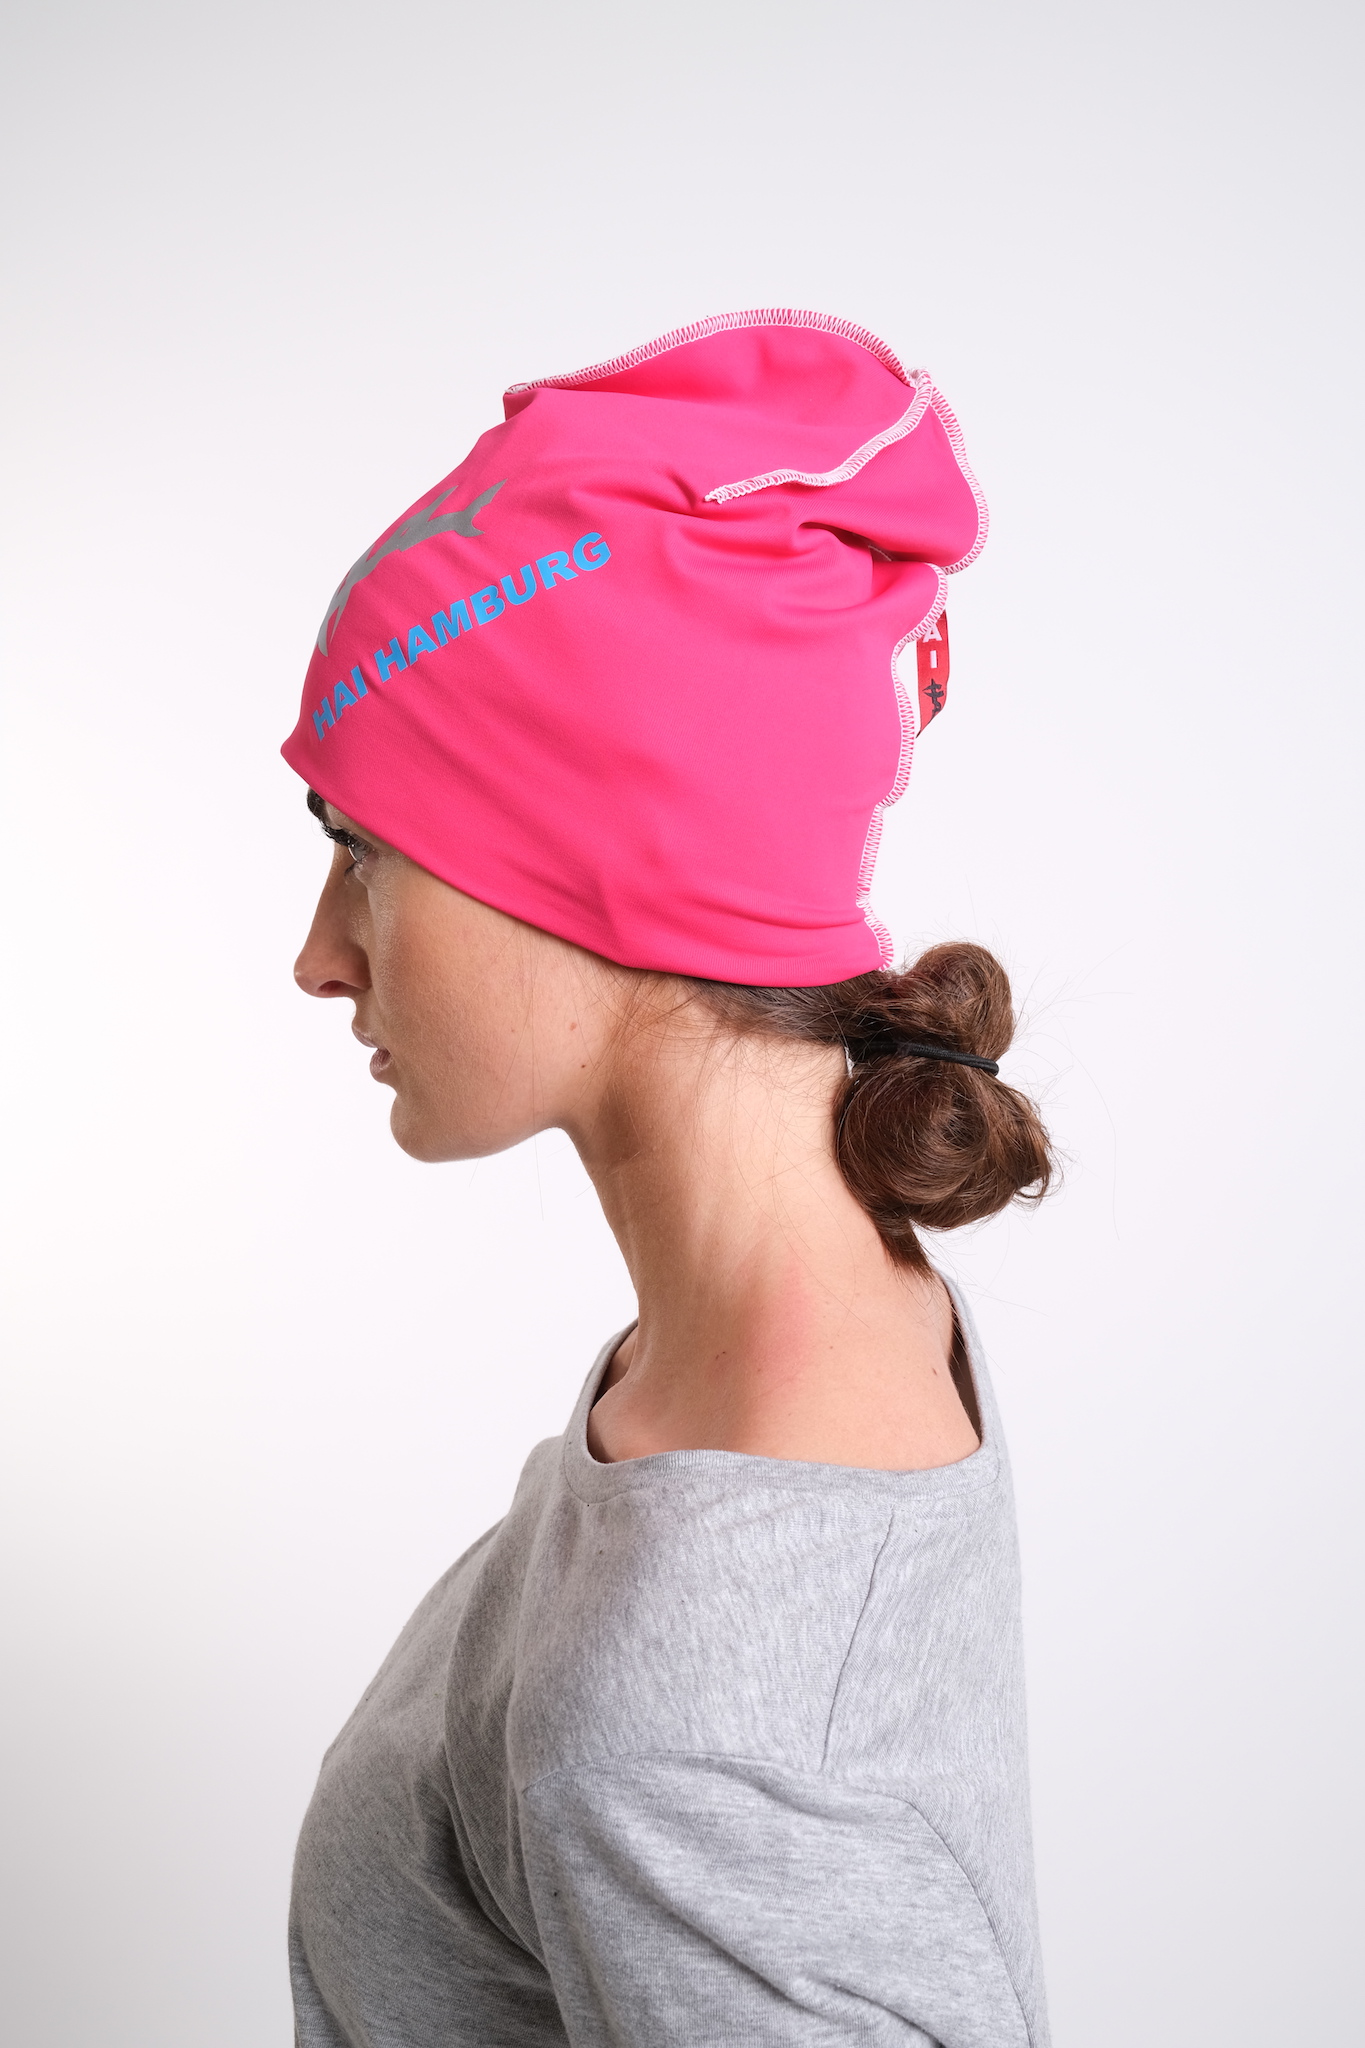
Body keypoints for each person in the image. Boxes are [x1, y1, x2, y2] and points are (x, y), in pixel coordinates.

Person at [284, 312, 1054, 2048]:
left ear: (589, 862)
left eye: (362, 852)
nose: (320, 958)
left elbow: (711, 1747)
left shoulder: (692, 1733)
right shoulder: (812, 1329)